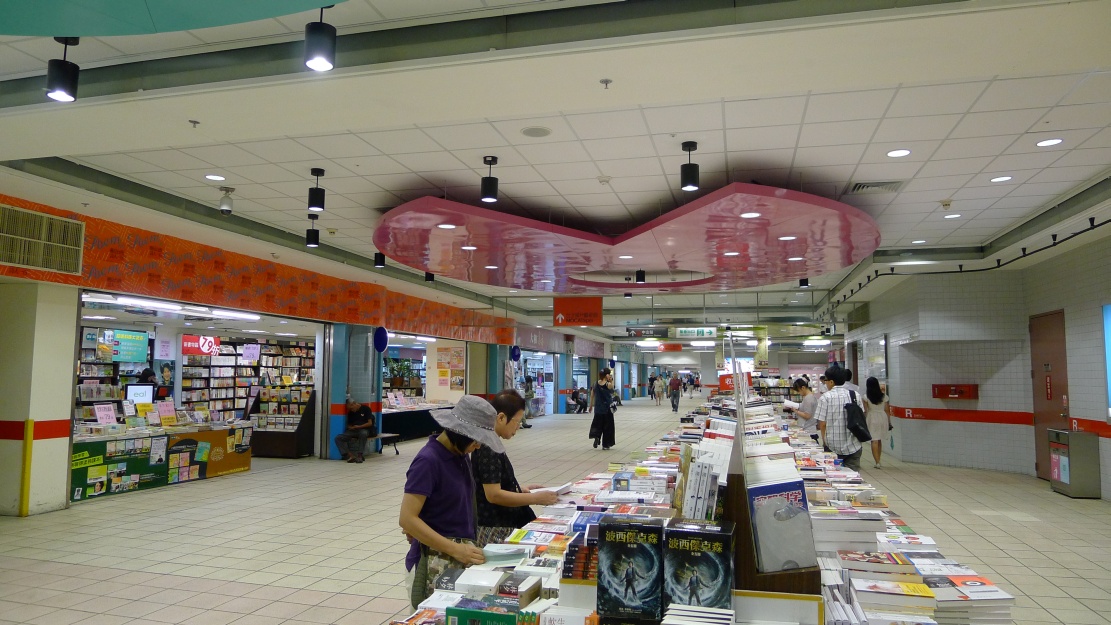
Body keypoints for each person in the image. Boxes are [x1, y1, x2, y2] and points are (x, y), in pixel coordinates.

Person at [400, 395, 503, 609]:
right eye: (475, 440)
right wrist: (455, 549)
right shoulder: (428, 461)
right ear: (460, 432)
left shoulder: (460, 455)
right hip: (432, 562)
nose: (478, 446)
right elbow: (407, 519)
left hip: (458, 557)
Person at [472, 390, 559, 546]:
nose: (518, 427)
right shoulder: (488, 447)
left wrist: (518, 489)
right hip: (495, 529)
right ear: (501, 418)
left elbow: (493, 483)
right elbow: (494, 495)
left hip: (501, 523)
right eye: (517, 421)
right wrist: (536, 498)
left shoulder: (491, 442)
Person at [815, 366, 865, 471]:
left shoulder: (825, 398)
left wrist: (824, 442)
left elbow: (822, 424)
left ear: (831, 382)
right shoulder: (855, 395)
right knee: (852, 477)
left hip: (832, 446)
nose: (825, 383)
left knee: (833, 475)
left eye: (826, 380)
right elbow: (861, 416)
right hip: (853, 445)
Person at [335, 398, 376, 463]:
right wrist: (351, 427)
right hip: (354, 430)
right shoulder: (351, 413)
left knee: (363, 434)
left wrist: (359, 426)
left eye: (351, 408)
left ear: (354, 404)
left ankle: (360, 455)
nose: (351, 410)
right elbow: (349, 424)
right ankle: (349, 455)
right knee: (338, 438)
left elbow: (369, 423)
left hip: (364, 429)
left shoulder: (366, 409)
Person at [864, 377, 893, 469]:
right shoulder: (884, 396)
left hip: (872, 417)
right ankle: (878, 460)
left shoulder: (866, 397)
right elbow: (887, 410)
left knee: (874, 440)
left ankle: (877, 462)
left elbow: (865, 410)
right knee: (879, 439)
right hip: (882, 417)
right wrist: (889, 422)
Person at [588, 368, 616, 449]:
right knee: (608, 426)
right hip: (607, 409)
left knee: (598, 424)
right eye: (609, 374)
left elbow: (592, 395)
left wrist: (590, 405)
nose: (610, 375)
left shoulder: (595, 383)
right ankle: (606, 445)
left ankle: (597, 436)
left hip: (598, 409)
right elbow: (612, 391)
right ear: (606, 375)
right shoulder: (608, 384)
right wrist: (611, 381)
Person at [789, 378, 820, 442]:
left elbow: (807, 415)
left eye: (798, 391)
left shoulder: (808, 398)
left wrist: (796, 411)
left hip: (809, 430)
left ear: (803, 388)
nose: (799, 393)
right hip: (809, 428)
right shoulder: (809, 397)